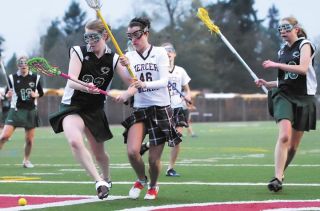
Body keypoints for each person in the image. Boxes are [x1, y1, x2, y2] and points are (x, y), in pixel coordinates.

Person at [49, 19, 131, 200]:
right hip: (73, 106)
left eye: (94, 37)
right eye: (87, 37)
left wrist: (128, 77)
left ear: (105, 36)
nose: (90, 42)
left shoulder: (115, 58)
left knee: (99, 153)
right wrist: (86, 87)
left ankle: (106, 178)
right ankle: (98, 182)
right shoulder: (78, 51)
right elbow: (71, 81)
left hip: (94, 109)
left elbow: (132, 82)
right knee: (75, 142)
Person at [116, 17, 182, 200]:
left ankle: (153, 186)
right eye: (129, 36)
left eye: (137, 35)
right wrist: (127, 92)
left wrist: (143, 84)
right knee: (132, 151)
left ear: (146, 33)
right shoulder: (128, 57)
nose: (133, 40)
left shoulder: (160, 53)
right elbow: (131, 83)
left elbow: (164, 81)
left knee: (153, 160)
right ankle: (141, 179)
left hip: (160, 109)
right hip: (140, 108)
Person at [256, 16, 317, 192]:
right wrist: (268, 84)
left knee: (293, 146)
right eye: (280, 28)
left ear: (296, 28)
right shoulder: (282, 51)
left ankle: (281, 175)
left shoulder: (305, 45)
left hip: (304, 97)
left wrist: (276, 65)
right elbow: (284, 79)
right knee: (284, 136)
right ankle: (277, 177)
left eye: (286, 27)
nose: (282, 31)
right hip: (284, 95)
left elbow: (302, 69)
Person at [139, 43, 192, 177]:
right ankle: (148, 145)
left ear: (174, 54)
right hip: (163, 108)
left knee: (177, 137)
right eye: (164, 51)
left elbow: (187, 89)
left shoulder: (180, 71)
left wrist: (188, 96)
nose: (167, 53)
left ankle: (170, 168)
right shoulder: (158, 70)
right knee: (163, 138)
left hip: (178, 107)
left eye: (170, 51)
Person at [0, 56, 44, 168]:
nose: (23, 65)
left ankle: (26, 161)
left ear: (28, 64)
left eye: (25, 63)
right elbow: (6, 94)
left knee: (29, 140)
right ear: (18, 65)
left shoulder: (36, 77)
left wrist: (36, 95)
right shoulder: (12, 78)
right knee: (4, 136)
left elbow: (41, 93)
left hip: (30, 111)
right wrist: (7, 95)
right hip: (15, 110)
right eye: (21, 63)